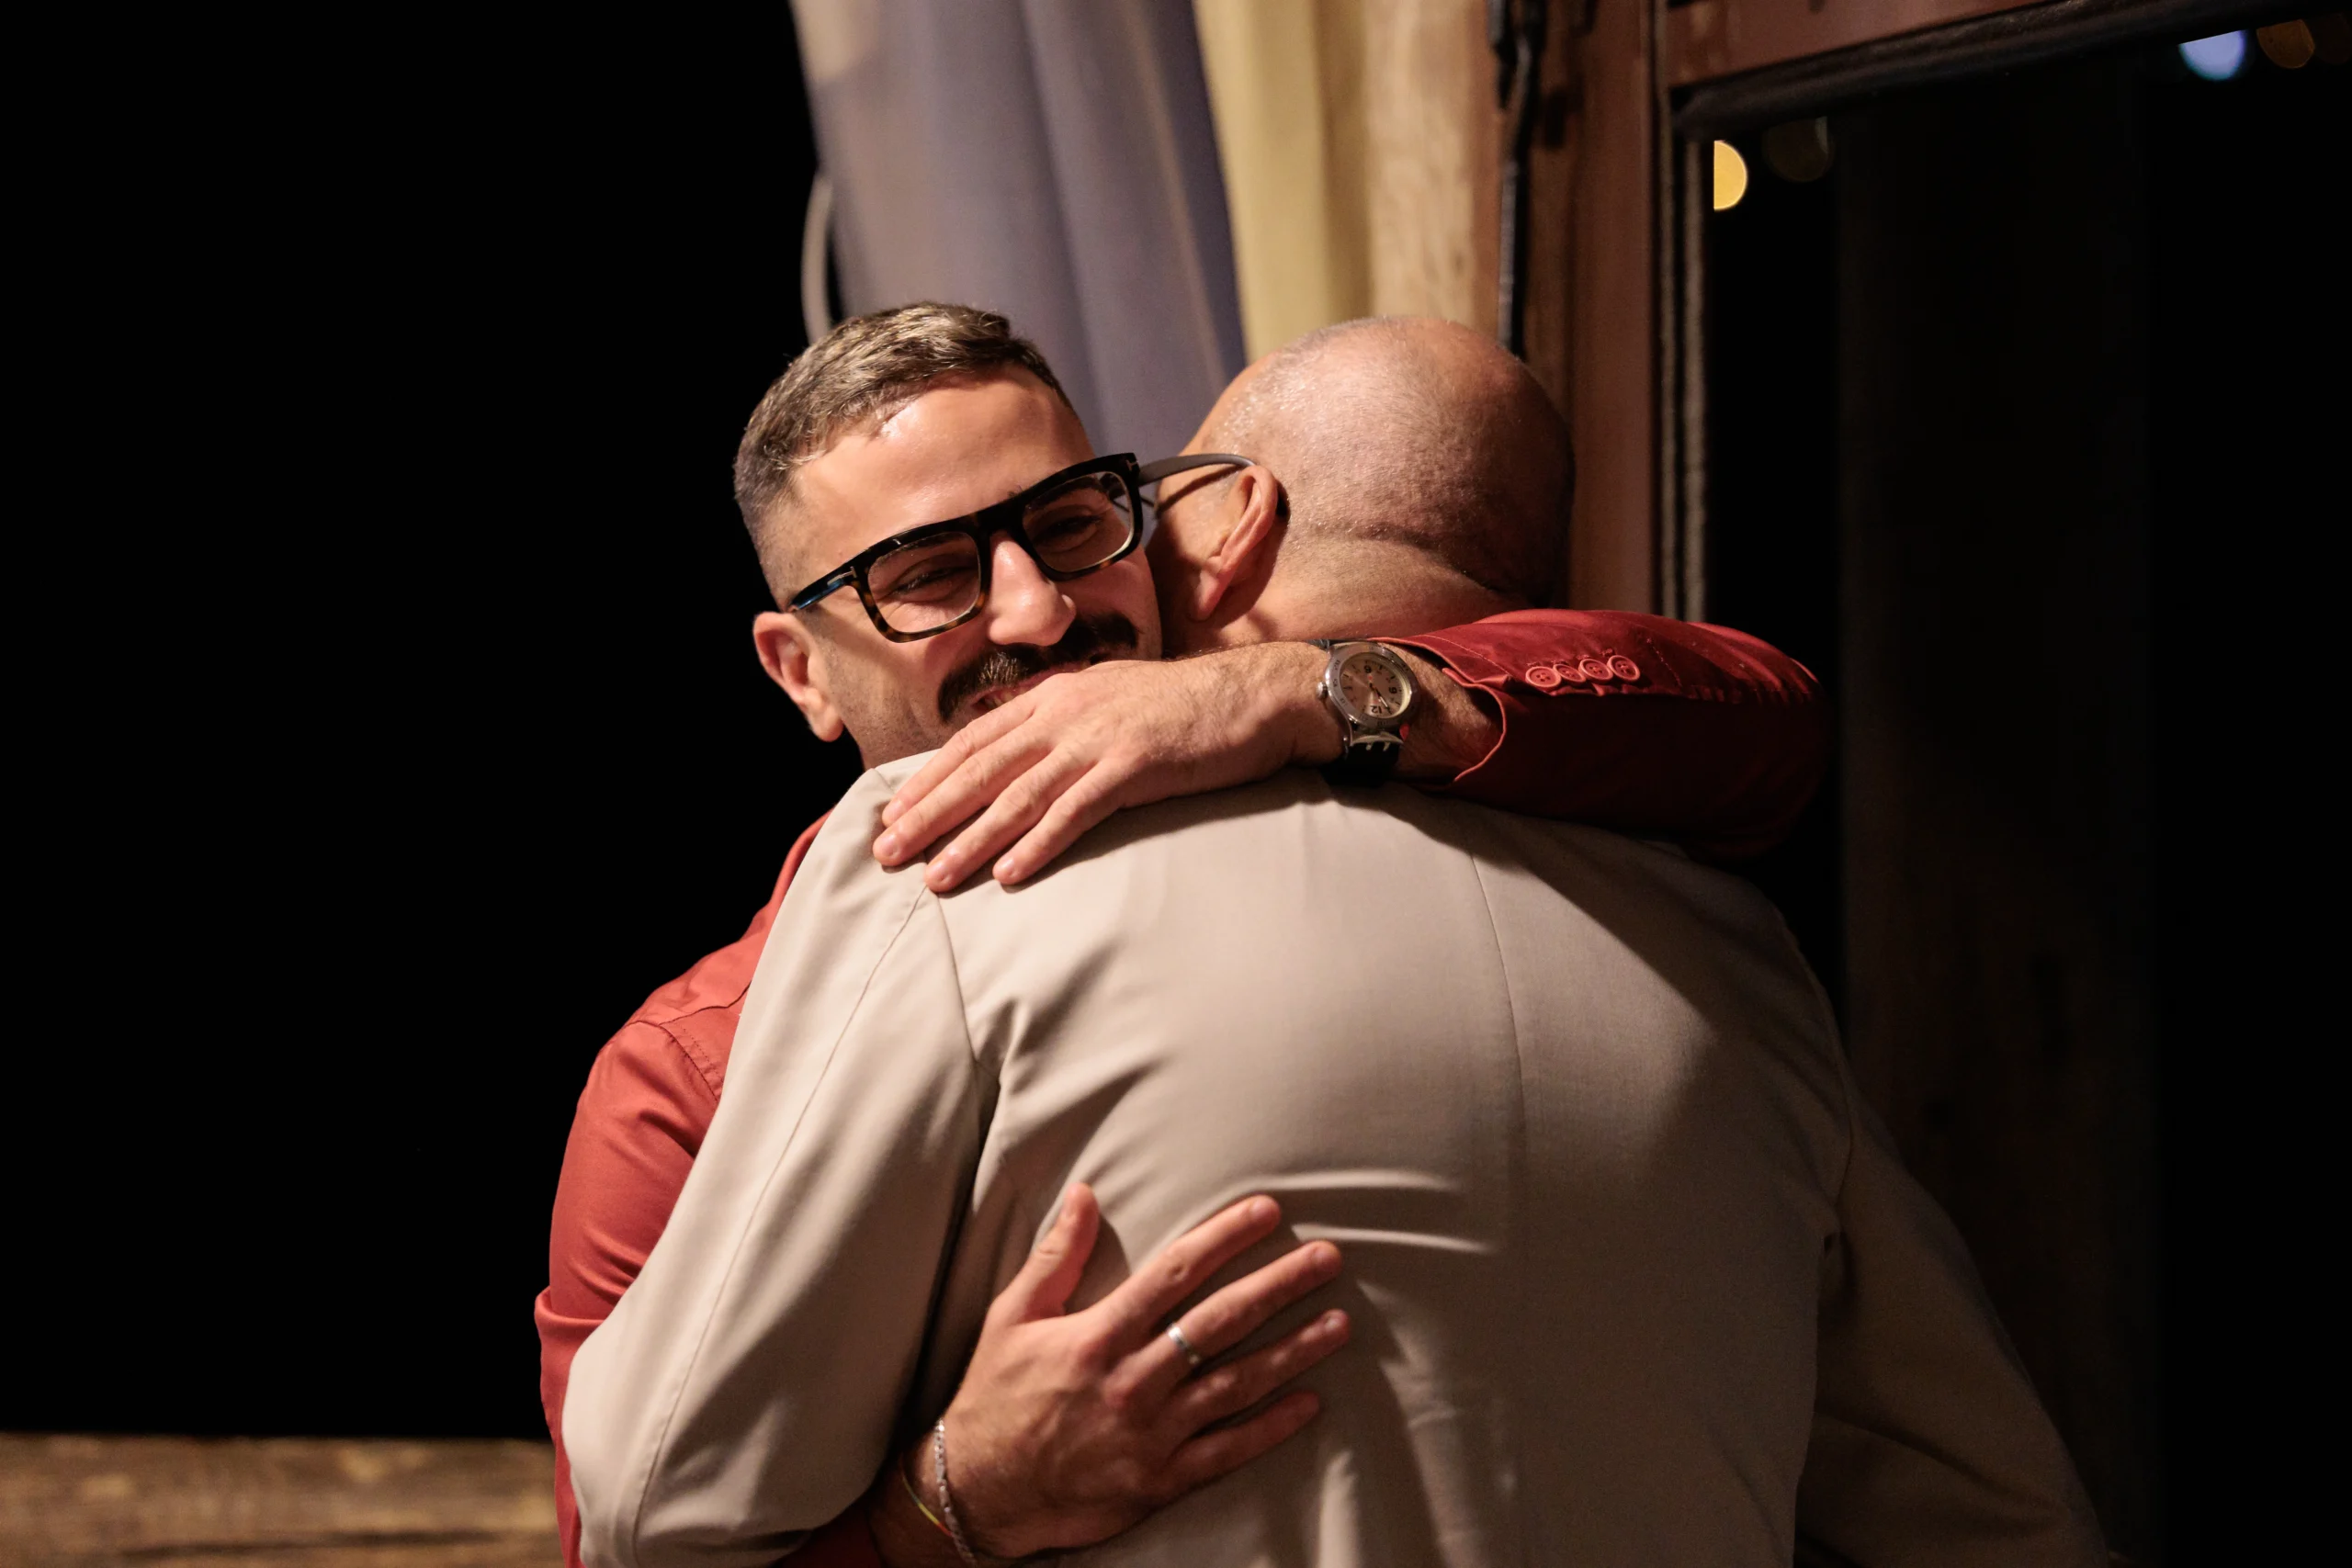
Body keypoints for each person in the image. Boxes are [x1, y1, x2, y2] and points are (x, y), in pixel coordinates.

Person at [564, 316, 2105, 1567]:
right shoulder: (695, 1063)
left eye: (1071, 525)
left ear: (1197, 534)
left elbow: (1755, 710)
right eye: (929, 579)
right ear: (798, 669)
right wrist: (952, 1505)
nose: (1036, 614)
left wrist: (1304, 688)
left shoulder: (1655, 881)